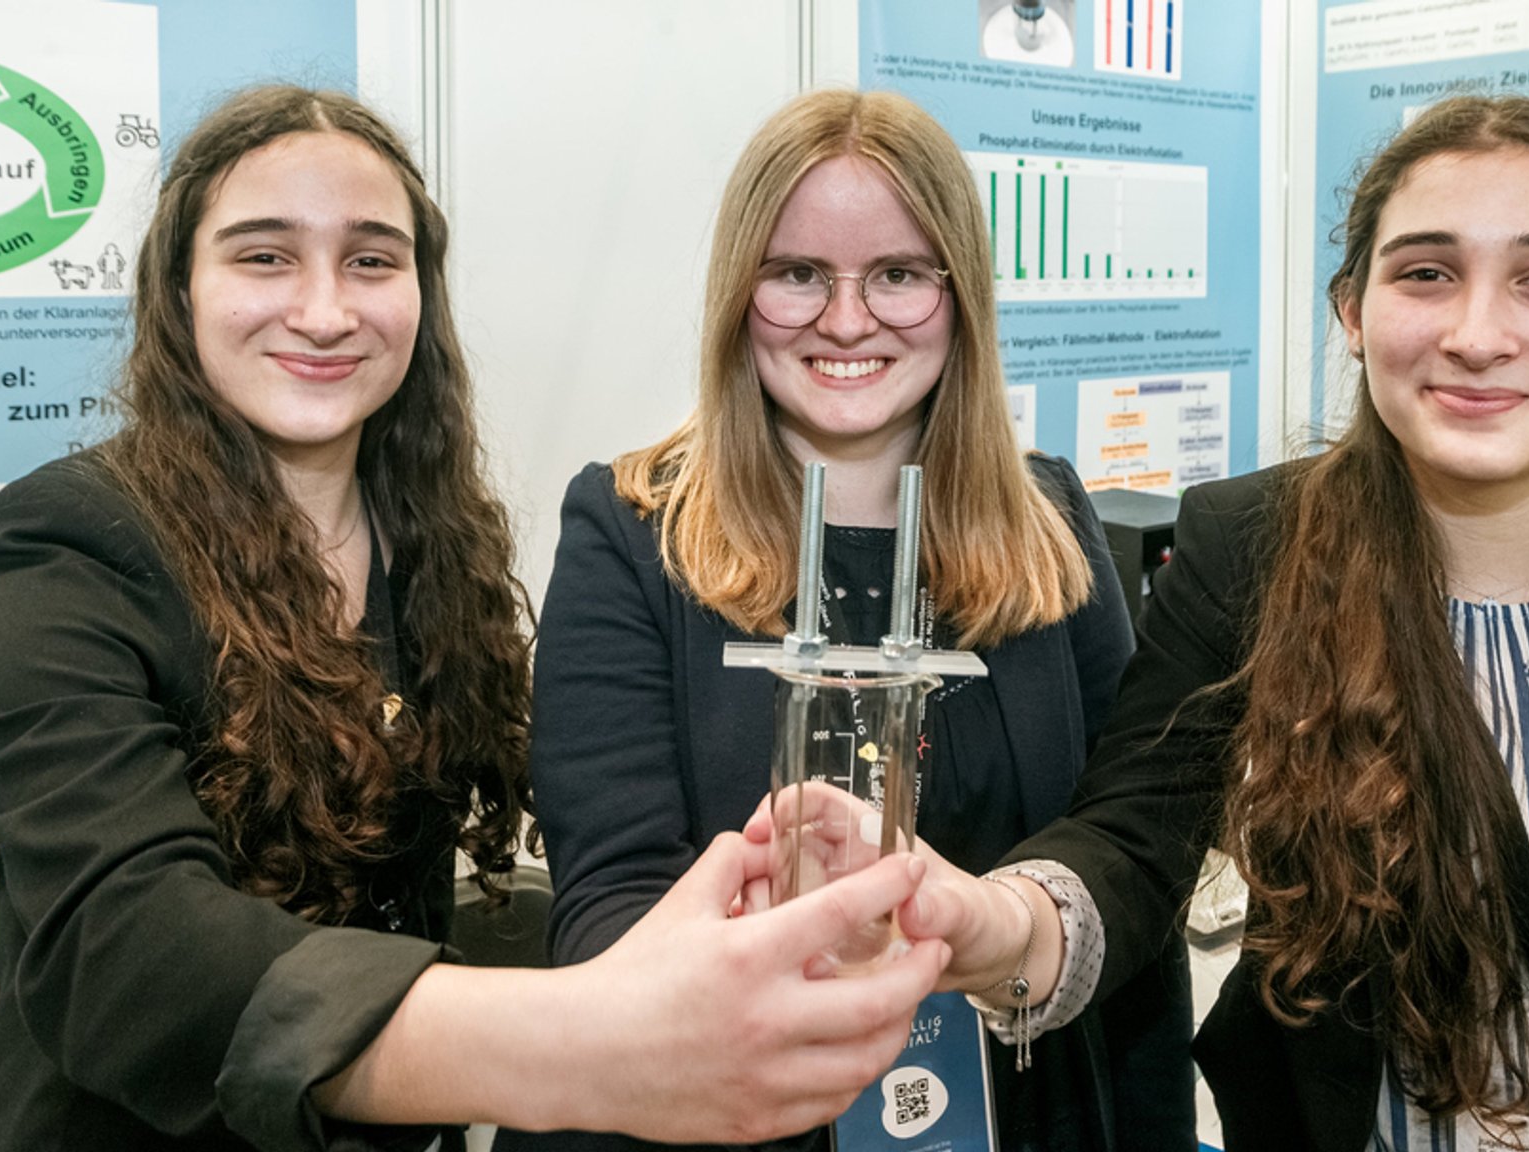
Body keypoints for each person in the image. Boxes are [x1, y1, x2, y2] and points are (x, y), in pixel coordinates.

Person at [0, 84, 947, 1152]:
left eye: (371, 259)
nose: (325, 310)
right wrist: (581, 1043)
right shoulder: (66, 544)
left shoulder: (433, 547)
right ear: (179, 289)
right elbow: (119, 946)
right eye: (263, 256)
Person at [888, 94, 1529, 1151]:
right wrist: (994, 923)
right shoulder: (1247, 544)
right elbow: (1131, 842)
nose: (1476, 335)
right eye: (1424, 273)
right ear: (1352, 313)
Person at [499, 89, 1193, 1152]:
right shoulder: (629, 531)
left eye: (899, 276)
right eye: (797, 275)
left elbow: (1126, 860)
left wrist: (996, 936)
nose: (846, 319)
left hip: (1016, 1108)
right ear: (741, 291)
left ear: (959, 294)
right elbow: (608, 907)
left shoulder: (1047, 516)